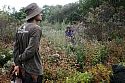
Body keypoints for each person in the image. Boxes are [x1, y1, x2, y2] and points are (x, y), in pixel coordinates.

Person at [13, 3, 43, 83]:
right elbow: (31, 50)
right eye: (39, 12)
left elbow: (15, 48)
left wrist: (17, 63)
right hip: (34, 70)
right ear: (35, 14)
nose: (41, 14)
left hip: (22, 69)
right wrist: (20, 59)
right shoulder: (36, 28)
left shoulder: (20, 28)